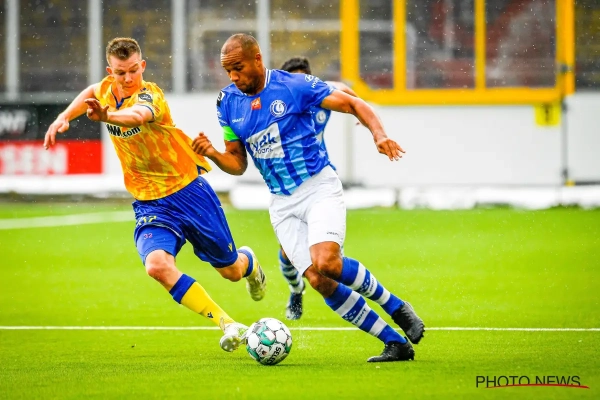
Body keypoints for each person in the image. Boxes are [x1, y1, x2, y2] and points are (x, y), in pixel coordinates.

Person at [192, 33, 425, 362]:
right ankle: (394, 343)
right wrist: (214, 154)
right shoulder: (227, 103)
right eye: (227, 70)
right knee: (318, 279)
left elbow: (354, 103)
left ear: (257, 60)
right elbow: (238, 163)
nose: (233, 76)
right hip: (281, 203)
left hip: (317, 188)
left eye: (238, 68)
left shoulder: (294, 86)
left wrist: (379, 134)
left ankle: (396, 307)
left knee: (326, 262)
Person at [43, 37, 266, 353]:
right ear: (111, 72)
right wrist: (63, 117)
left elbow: (138, 116)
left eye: (134, 70)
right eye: (121, 73)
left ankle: (250, 264)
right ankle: (228, 323)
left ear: (143, 66)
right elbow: (91, 91)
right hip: (150, 202)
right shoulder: (105, 90)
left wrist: (107, 117)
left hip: (188, 192)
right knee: (157, 266)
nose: (128, 78)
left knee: (231, 271)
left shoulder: (151, 96)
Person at [277, 56, 359, 321]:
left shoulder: (320, 94)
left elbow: (344, 90)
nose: (300, 82)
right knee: (287, 253)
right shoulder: (281, 105)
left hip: (320, 180)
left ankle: (344, 281)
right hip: (291, 187)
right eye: (295, 78)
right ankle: (295, 289)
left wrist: (359, 109)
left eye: (304, 77)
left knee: (326, 256)